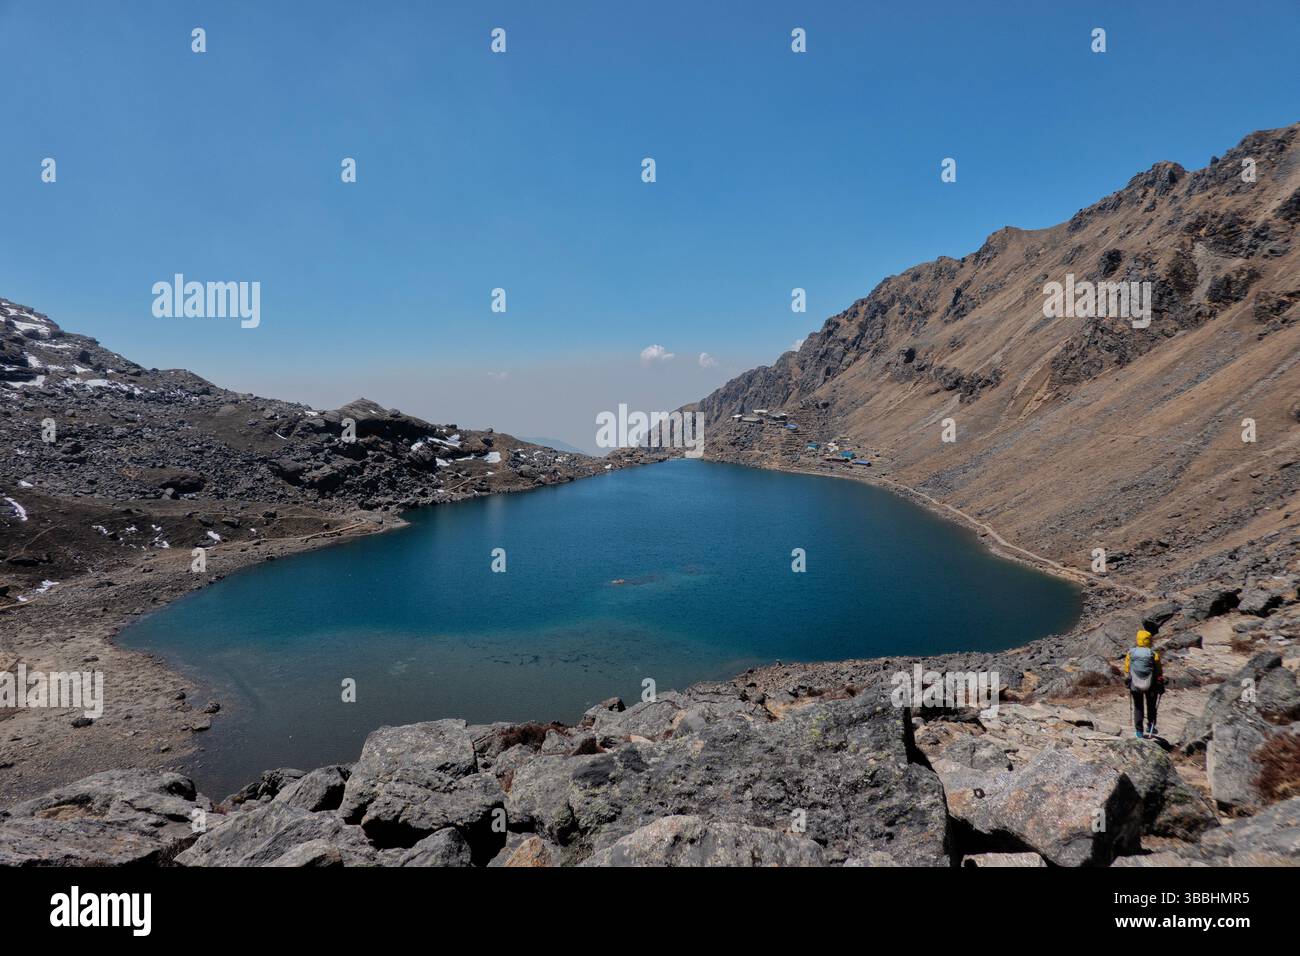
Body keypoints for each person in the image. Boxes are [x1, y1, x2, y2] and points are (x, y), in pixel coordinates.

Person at [1124, 629, 1164, 738]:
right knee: (1151, 705)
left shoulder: (1131, 653)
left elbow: (1127, 669)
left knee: (1138, 706)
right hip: (1150, 685)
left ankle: (1139, 731)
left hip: (1135, 685)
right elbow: (1158, 670)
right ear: (1149, 640)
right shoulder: (1153, 654)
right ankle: (1151, 726)